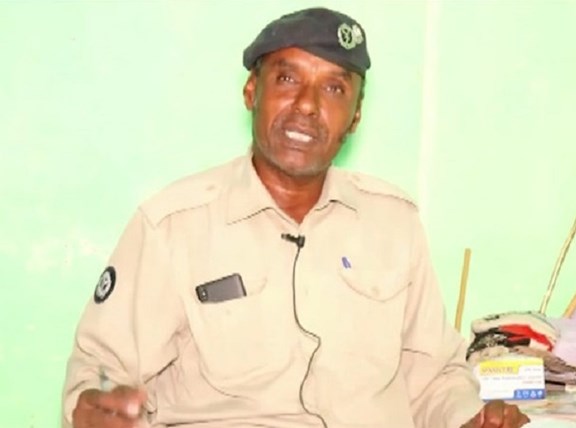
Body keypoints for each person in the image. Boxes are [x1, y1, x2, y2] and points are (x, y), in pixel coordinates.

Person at [62, 7, 530, 428]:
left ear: (356, 116)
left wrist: (470, 417)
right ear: (251, 91)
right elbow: (101, 370)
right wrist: (96, 405)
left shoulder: (394, 223)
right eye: (287, 79)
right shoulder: (173, 226)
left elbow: (432, 376)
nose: (307, 105)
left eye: (334, 88)